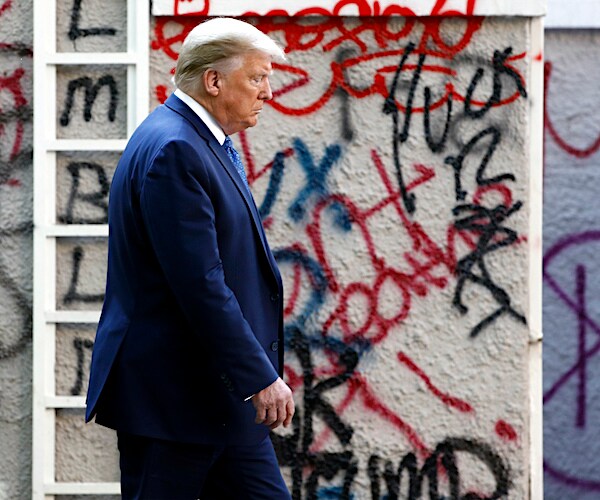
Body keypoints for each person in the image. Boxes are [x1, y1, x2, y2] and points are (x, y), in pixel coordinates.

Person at [85, 17, 294, 499]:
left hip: (217, 399)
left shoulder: (193, 139)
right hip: (174, 403)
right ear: (214, 80)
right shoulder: (175, 148)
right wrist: (259, 375)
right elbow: (200, 283)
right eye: (257, 77)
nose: (267, 92)